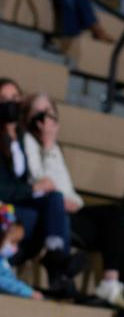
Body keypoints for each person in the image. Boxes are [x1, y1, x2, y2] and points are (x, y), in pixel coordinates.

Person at [22, 92, 124, 308]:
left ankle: (116, 284)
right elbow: (39, 180)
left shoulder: (54, 147)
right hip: (51, 212)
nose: (45, 119)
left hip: (70, 207)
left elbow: (65, 186)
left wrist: (73, 200)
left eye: (49, 113)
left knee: (115, 219)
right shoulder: (27, 142)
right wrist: (47, 144)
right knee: (113, 228)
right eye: (38, 113)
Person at [0, 77, 80, 296]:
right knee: (49, 216)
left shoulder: (24, 139)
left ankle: (56, 261)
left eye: (14, 98)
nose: (9, 103)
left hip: (23, 206)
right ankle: (60, 271)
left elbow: (52, 182)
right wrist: (33, 189)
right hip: (4, 207)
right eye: (3, 99)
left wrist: (48, 144)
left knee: (54, 198)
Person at [0, 208, 43, 300]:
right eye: (13, 242)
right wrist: (27, 292)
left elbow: (10, 280)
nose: (16, 247)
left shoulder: (3, 260)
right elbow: (3, 282)